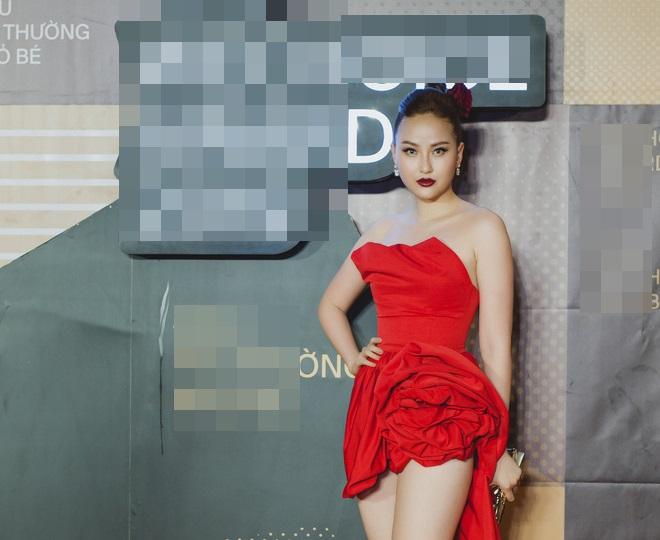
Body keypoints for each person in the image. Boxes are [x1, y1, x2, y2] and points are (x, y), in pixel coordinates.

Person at [317, 84, 522, 540]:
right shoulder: (379, 233)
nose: (424, 166)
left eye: (438, 150)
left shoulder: (483, 227)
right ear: (394, 154)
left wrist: (497, 447)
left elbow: (495, 348)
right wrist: (353, 358)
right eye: (411, 151)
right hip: (376, 408)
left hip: (444, 410)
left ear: (460, 155)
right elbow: (330, 305)